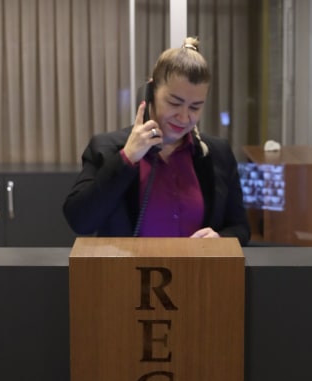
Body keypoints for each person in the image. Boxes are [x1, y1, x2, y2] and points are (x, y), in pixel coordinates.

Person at [63, 37, 250, 246]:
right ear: (150, 92)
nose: (184, 117)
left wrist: (220, 240)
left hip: (197, 267)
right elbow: (80, 221)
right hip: (127, 267)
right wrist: (127, 158)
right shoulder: (106, 148)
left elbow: (240, 227)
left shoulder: (217, 153)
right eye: (174, 103)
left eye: (195, 107)